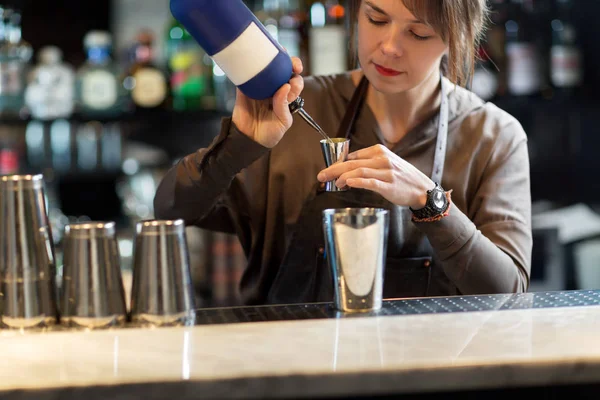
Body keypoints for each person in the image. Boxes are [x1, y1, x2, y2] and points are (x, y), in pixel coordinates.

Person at [154, 0, 532, 306]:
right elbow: (171, 210)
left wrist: (430, 202)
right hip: (287, 369)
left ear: (458, 36)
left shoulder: (494, 136)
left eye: (418, 33)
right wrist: (239, 144)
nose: (389, 47)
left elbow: (509, 290)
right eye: (376, 18)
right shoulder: (287, 109)